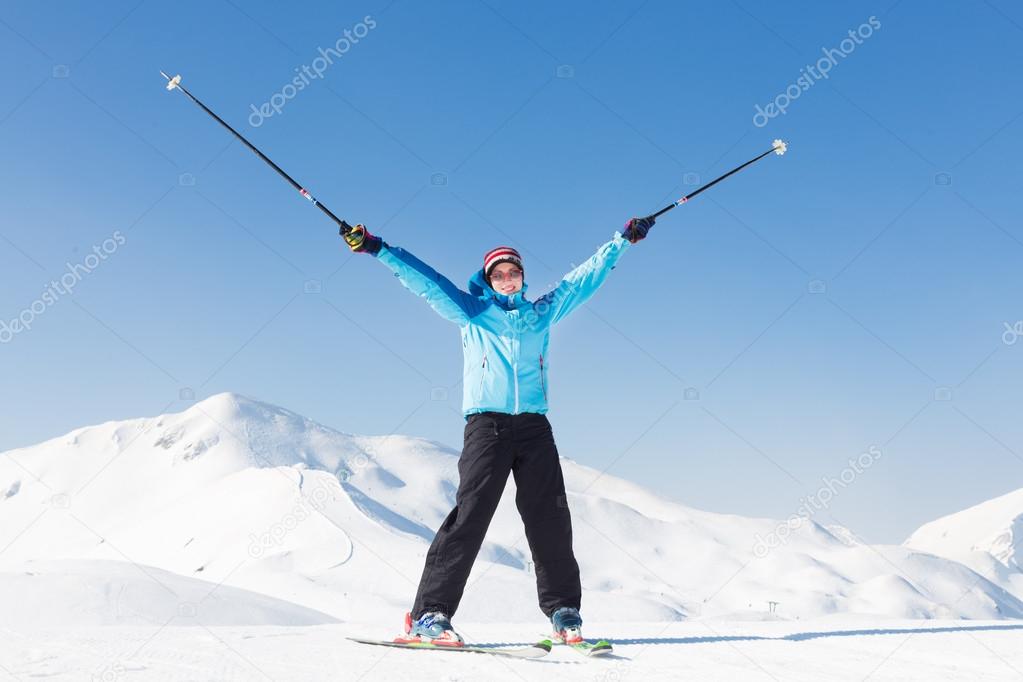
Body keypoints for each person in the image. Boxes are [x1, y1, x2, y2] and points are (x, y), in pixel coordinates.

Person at [342, 216, 655, 646]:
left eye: (514, 272)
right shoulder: (474, 313)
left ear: (523, 277)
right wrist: (378, 248)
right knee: (470, 515)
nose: (507, 279)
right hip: (486, 426)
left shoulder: (540, 314)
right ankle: (430, 614)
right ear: (489, 280)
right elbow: (428, 283)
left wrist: (621, 242)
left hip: (534, 427)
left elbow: (582, 280)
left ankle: (565, 612)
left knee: (550, 517)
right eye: (499, 274)